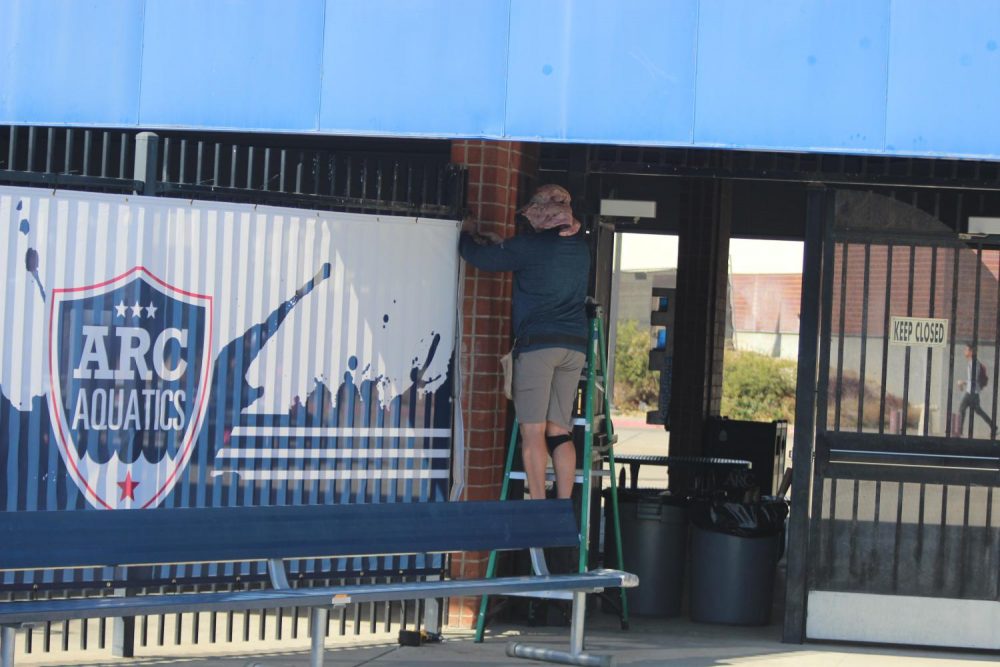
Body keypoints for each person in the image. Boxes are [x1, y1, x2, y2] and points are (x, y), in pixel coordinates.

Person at [458, 184, 589, 501]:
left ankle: (538, 508)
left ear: (542, 215)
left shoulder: (528, 246)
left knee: (532, 429)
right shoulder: (582, 248)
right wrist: (507, 247)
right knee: (560, 431)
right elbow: (540, 263)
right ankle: (562, 503)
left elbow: (480, 258)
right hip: (575, 347)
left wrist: (465, 232)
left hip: (538, 346)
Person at [957, 343, 997, 438]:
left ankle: (959, 432)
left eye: (966, 350)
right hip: (973, 392)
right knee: (978, 411)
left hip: (972, 392)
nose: (964, 351)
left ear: (971, 352)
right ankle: (993, 426)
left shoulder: (974, 363)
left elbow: (973, 380)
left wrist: (962, 382)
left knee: (962, 409)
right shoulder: (972, 362)